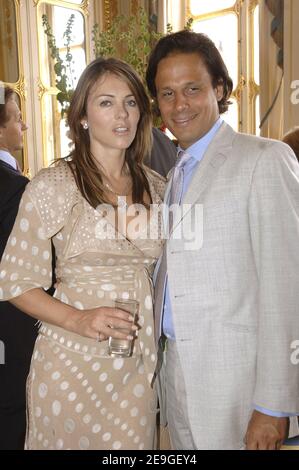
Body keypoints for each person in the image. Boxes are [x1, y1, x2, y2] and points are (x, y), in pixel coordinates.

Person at [0, 58, 166, 450]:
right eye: (106, 103)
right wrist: (78, 319)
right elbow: (14, 281)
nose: (121, 114)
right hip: (70, 364)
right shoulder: (53, 185)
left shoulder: (159, 187)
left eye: (130, 102)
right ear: (84, 116)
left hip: (135, 370)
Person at [146, 30, 299, 450]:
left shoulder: (264, 159)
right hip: (175, 375)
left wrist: (274, 405)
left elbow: (287, 289)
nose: (179, 105)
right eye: (167, 93)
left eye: (192, 89)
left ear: (218, 88)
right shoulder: (173, 173)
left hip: (241, 388)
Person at [0, 86, 38, 450]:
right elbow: (23, 270)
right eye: (17, 116)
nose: (23, 125)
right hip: (9, 333)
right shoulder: (15, 188)